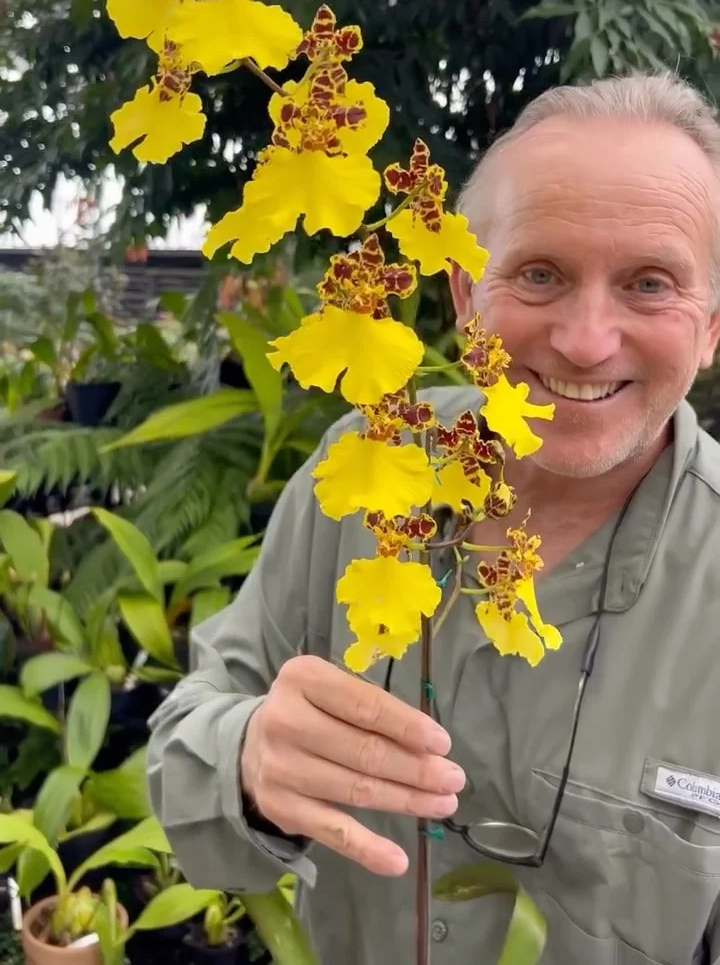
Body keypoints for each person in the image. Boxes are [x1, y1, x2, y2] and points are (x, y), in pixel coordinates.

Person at [147, 72, 720, 965]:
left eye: (649, 284)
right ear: (463, 294)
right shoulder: (369, 463)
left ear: (713, 325)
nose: (586, 339)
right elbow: (187, 735)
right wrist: (249, 756)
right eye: (539, 274)